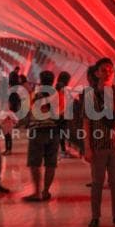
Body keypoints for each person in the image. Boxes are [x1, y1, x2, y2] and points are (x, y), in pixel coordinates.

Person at [83, 58, 115, 227]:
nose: (108, 72)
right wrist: (87, 148)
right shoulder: (89, 95)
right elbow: (86, 122)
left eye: (110, 69)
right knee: (97, 182)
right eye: (104, 70)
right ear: (97, 73)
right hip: (98, 145)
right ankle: (95, 217)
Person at [22, 71, 62, 202]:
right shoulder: (58, 95)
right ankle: (46, 191)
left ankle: (37, 192)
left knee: (35, 163)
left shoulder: (35, 94)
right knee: (51, 163)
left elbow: (28, 110)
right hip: (54, 131)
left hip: (37, 131)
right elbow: (62, 113)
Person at [55, 71, 72, 158]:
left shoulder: (57, 86)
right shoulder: (63, 87)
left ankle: (59, 149)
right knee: (62, 132)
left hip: (58, 113)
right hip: (62, 113)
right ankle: (63, 150)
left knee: (58, 132)